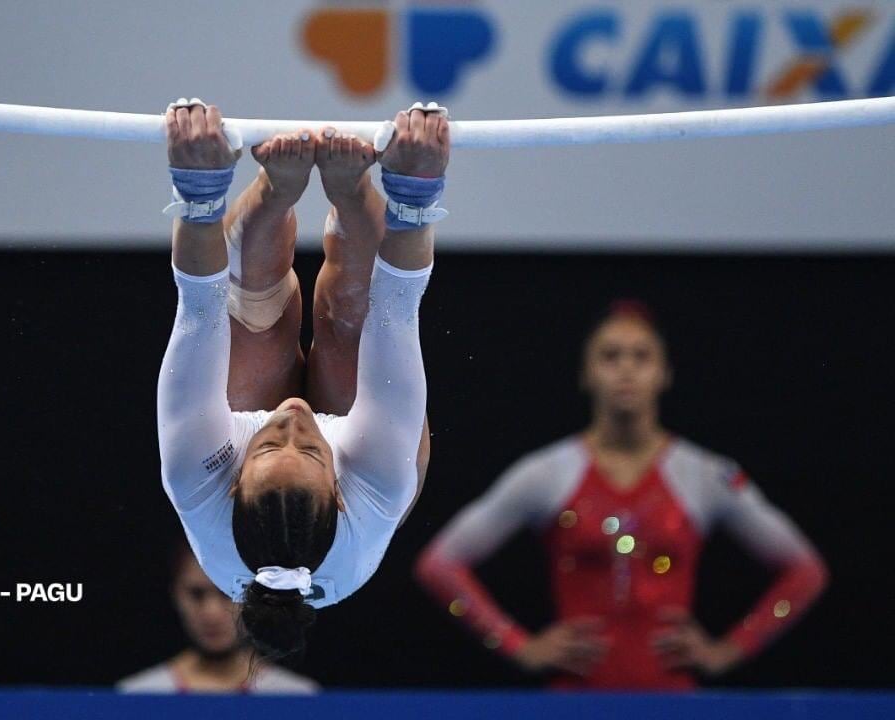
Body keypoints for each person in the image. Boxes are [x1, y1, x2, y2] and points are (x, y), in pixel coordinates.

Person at [157, 99, 445, 658]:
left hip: (279, 473)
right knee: (351, 312)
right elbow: (398, 307)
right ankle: (351, 188)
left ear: (234, 482)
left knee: (254, 311)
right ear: (338, 494)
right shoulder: (378, 481)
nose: (292, 416)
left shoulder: (194, 474)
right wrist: (414, 193)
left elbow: (199, 307)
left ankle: (273, 190)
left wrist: (199, 186)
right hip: (371, 469)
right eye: (309, 450)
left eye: (267, 443)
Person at [415, 302, 829, 689]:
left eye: (641, 356)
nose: (626, 369)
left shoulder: (705, 474)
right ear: (587, 373)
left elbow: (805, 571)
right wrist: (516, 645)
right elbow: (441, 564)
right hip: (577, 700)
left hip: (672, 700)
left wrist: (728, 650)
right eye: (610, 356)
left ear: (665, 373)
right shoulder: (546, 473)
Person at [117, 537, 318, 693]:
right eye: (197, 594)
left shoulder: (295, 697)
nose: (211, 613)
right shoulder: (138, 695)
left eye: (226, 593)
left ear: (254, 595)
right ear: (176, 594)